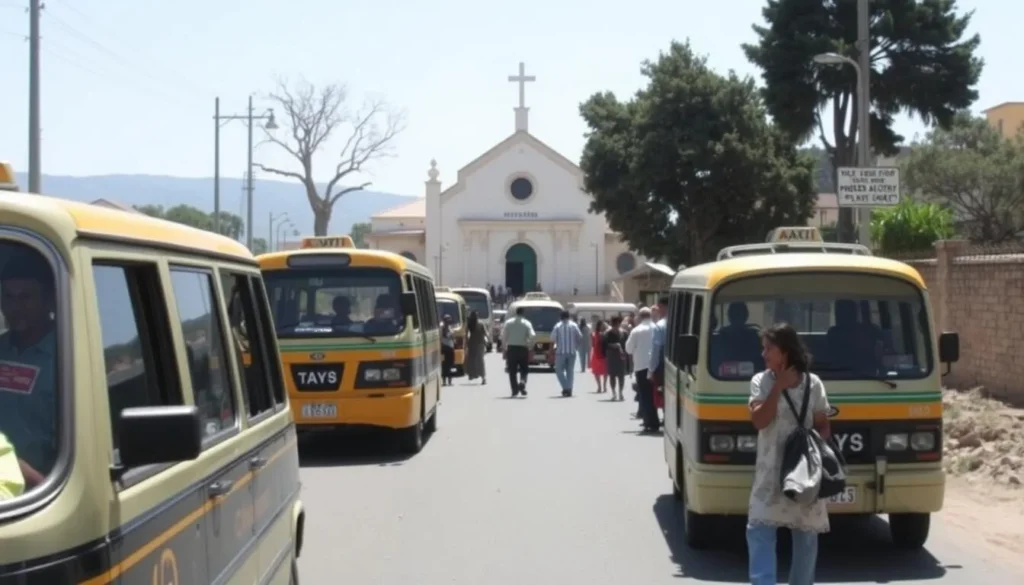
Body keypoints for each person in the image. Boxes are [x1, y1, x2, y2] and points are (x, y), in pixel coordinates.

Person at [747, 323, 831, 585]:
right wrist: (778, 387)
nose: (763, 354)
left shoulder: (813, 384)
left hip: (803, 473)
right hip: (770, 473)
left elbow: (823, 425)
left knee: (806, 538)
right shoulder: (761, 381)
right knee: (760, 532)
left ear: (785, 351)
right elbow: (759, 421)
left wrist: (814, 448)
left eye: (768, 349)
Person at [0, 254, 57, 490]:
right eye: (8, 297)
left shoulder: (69, 352)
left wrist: (41, 485)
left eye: (26, 297)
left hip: (47, 489)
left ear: (48, 300)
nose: (15, 307)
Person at [625, 307, 659, 431]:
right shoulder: (657, 328)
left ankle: (649, 422)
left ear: (640, 316)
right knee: (657, 394)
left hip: (641, 366)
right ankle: (656, 420)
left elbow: (628, 349)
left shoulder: (636, 331)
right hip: (656, 366)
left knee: (645, 395)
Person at [501, 307, 535, 397]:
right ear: (523, 313)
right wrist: (530, 345)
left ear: (516, 313)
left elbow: (503, 337)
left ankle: (514, 390)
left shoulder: (508, 323)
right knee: (524, 369)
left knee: (512, 371)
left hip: (511, 349)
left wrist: (504, 349)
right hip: (523, 349)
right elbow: (532, 335)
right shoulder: (527, 323)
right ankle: (522, 382)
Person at [550, 311, 582, 397]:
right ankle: (569, 389)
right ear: (568, 317)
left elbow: (552, 338)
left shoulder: (558, 326)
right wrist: (575, 346)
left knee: (558, 370)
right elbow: (580, 337)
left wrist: (552, 349)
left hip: (561, 352)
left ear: (561, 317)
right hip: (572, 352)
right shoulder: (574, 325)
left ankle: (566, 387)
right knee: (570, 371)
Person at [601, 316, 628, 400]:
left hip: (621, 356)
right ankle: (613, 393)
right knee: (612, 375)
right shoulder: (607, 334)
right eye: (614, 325)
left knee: (621, 376)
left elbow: (627, 345)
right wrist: (614, 345)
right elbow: (604, 345)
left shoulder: (624, 333)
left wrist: (626, 354)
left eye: (617, 324)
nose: (615, 327)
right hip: (611, 356)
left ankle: (621, 392)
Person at [464, 310, 488, 384]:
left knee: (472, 360)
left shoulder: (469, 324)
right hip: (480, 343)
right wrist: (487, 340)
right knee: (480, 361)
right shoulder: (481, 323)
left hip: (472, 343)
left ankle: (472, 374)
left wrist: (466, 343)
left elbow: (466, 334)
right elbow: (485, 333)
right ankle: (483, 378)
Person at [589, 320, 608, 393]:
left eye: (604, 325)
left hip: (604, 354)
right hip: (596, 354)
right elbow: (593, 344)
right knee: (596, 371)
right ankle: (599, 386)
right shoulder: (594, 334)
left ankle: (604, 386)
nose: (603, 326)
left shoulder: (606, 334)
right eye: (602, 325)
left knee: (605, 371)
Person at [440, 315, 455, 386]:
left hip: (450, 348)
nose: (448, 321)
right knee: (444, 365)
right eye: (447, 320)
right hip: (444, 349)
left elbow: (452, 336)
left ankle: (450, 380)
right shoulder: (442, 328)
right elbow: (446, 335)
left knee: (450, 365)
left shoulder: (450, 328)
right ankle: (444, 381)